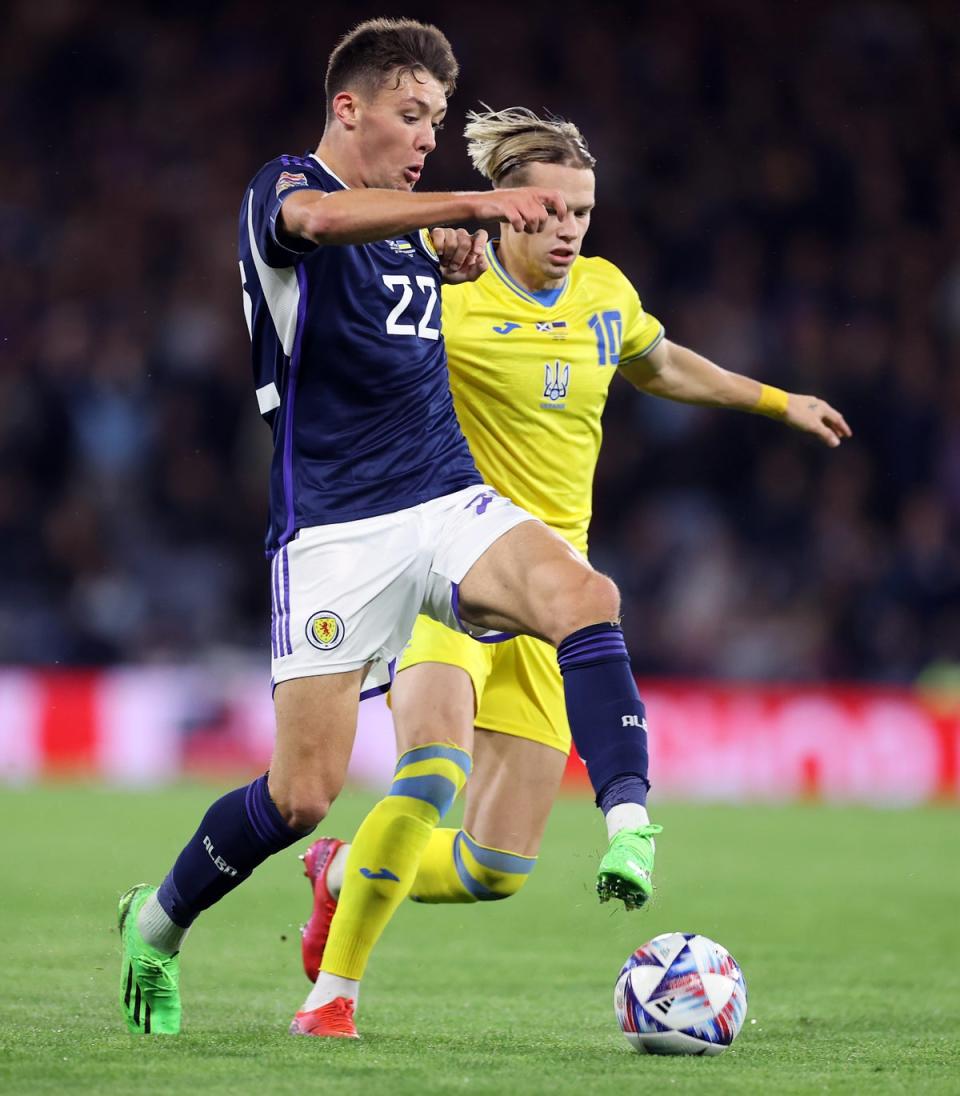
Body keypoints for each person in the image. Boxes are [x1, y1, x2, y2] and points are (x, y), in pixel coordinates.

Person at [117, 20, 664, 1040]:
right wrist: (470, 205)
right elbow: (319, 224)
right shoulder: (280, 190)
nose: (428, 138)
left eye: (439, 121)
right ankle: (154, 924)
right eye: (413, 116)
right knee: (300, 796)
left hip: (445, 499)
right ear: (349, 107)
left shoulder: (415, 226)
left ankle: (630, 818)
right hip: (332, 532)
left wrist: (453, 249)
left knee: (585, 593)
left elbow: (418, 266)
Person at [297, 106, 852, 1019]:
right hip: (447, 573)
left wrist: (775, 400)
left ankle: (343, 870)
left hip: (554, 599)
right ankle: (334, 995)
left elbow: (659, 362)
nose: (568, 229)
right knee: (429, 772)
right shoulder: (446, 290)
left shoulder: (604, 294)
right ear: (507, 208)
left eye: (584, 212)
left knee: (493, 869)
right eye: (550, 210)